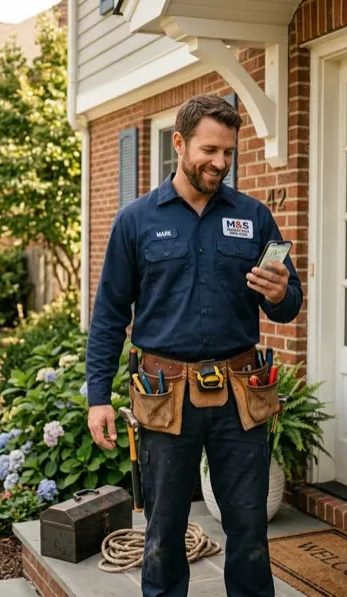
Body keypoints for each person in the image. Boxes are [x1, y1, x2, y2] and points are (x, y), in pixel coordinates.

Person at [84, 94, 303, 597]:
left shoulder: (253, 216)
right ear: (178, 144)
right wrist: (99, 397)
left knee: (248, 527)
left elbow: (287, 304)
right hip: (165, 395)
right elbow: (109, 316)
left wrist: (282, 294)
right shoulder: (136, 220)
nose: (220, 163)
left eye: (228, 152)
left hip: (241, 396)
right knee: (163, 532)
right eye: (209, 150)